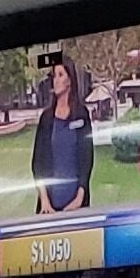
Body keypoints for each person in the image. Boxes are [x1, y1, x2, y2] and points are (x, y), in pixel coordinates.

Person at [31, 54, 93, 215]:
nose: (55, 80)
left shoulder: (81, 114)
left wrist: (80, 197)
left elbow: (87, 158)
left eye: (60, 75)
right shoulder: (46, 118)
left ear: (70, 80)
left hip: (76, 205)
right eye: (54, 76)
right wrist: (44, 199)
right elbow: (37, 163)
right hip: (49, 207)